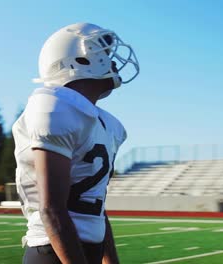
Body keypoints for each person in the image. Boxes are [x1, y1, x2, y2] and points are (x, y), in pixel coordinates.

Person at [12, 22, 139, 264]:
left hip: (85, 249)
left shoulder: (104, 122)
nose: (112, 62)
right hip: (54, 252)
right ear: (78, 60)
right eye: (103, 54)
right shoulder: (54, 107)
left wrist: (110, 260)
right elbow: (52, 209)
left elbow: (95, 205)